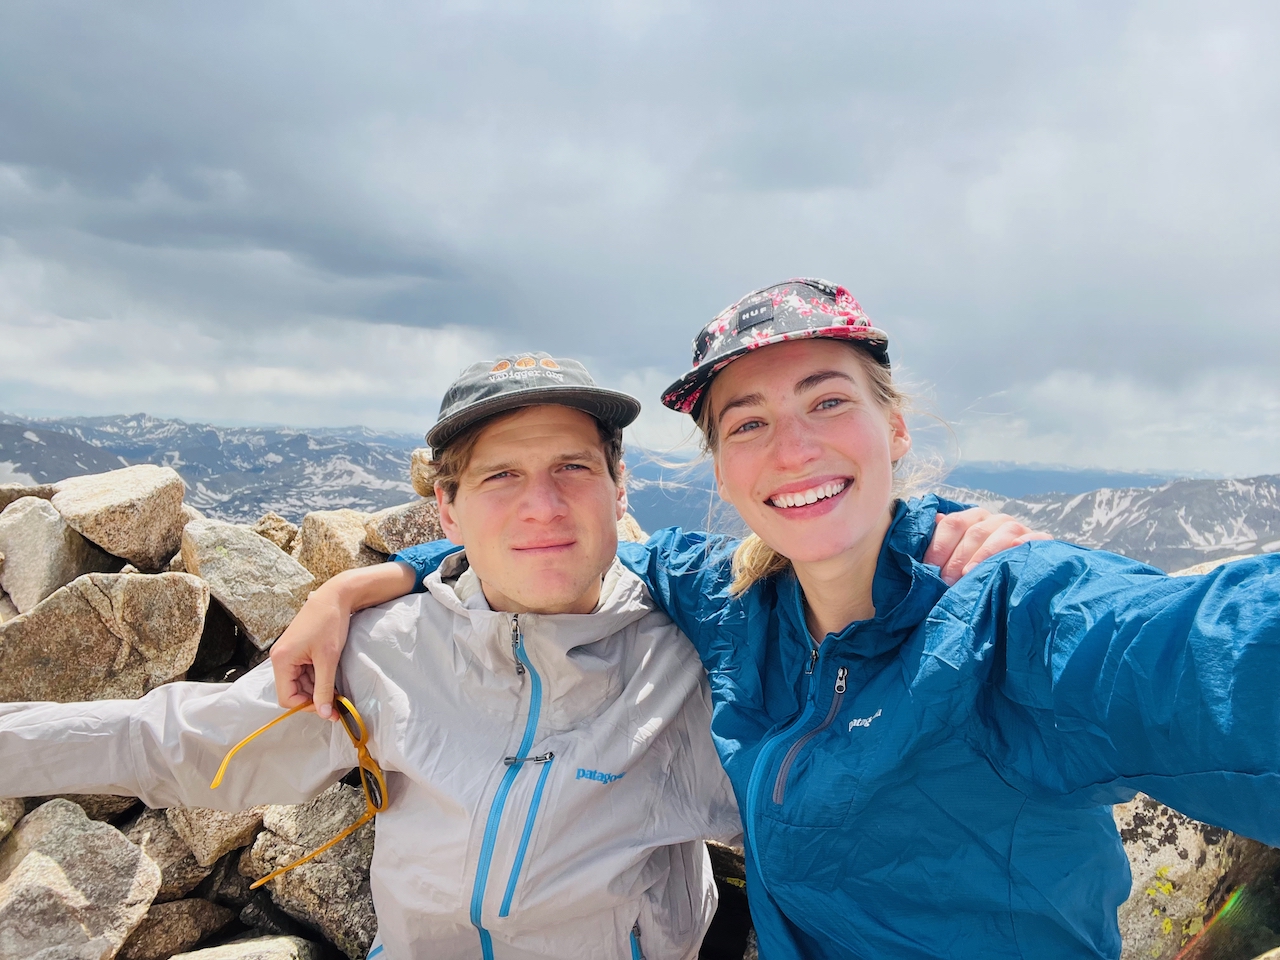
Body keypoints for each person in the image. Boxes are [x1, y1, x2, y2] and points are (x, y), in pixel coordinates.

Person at [275, 279, 1280, 960]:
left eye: (824, 402)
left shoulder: (1013, 617)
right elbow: (551, 549)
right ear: (720, 468)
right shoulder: (729, 598)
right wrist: (361, 586)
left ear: (892, 428)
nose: (790, 450)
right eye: (746, 423)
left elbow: (1213, 653)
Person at [1, 355, 748, 960]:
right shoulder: (387, 647)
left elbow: (814, 822)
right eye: (501, 476)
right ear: (448, 511)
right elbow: (182, 743)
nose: (544, 506)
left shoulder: (696, 661)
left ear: (620, 488)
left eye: (574, 469)